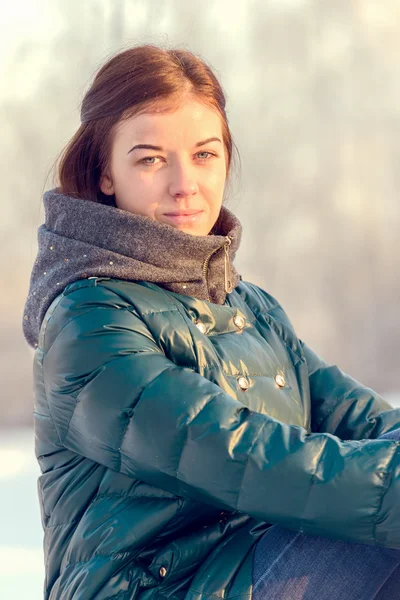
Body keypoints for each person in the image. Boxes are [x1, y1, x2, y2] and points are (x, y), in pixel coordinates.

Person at [22, 44, 400, 600]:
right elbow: (238, 454)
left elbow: (362, 420)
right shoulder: (87, 321)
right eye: (151, 159)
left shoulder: (251, 307)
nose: (185, 185)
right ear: (104, 172)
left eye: (204, 154)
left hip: (263, 566)